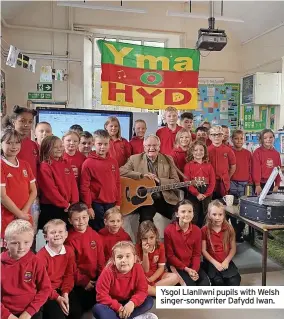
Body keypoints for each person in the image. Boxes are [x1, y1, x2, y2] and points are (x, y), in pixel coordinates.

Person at [120, 134, 180, 223]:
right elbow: (120, 171)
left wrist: (160, 180)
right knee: (146, 220)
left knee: (179, 217)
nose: (152, 148)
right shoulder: (134, 159)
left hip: (164, 198)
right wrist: (140, 175)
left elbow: (176, 181)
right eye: (148, 145)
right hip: (145, 200)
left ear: (159, 147)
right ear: (144, 147)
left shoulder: (168, 159)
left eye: (155, 145)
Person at [93, 241, 157, 319]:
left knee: (148, 301)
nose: (123, 260)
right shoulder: (108, 271)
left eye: (128, 256)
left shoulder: (138, 268)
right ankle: (128, 317)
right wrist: (118, 308)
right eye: (119, 257)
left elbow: (142, 290)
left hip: (129, 300)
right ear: (114, 260)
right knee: (98, 308)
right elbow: (101, 296)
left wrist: (132, 303)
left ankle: (122, 316)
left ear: (134, 259)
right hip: (111, 304)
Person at [1, 220, 51, 319]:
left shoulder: (36, 262)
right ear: (5, 243)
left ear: (32, 241)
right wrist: (8, 316)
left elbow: (45, 289)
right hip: (6, 312)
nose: (21, 247)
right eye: (15, 243)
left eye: (26, 242)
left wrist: (28, 313)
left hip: (31, 310)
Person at [37, 219, 82, 319]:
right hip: (47, 292)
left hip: (62, 289)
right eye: (52, 232)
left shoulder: (69, 251)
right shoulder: (40, 257)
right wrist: (57, 298)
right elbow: (42, 283)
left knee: (76, 312)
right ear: (46, 237)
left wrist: (65, 293)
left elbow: (69, 274)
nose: (57, 234)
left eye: (60, 232)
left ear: (66, 234)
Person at [66, 202, 105, 312]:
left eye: (84, 217)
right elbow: (71, 267)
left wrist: (101, 278)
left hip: (96, 278)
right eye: (77, 219)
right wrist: (84, 281)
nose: (81, 221)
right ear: (70, 221)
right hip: (80, 282)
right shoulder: (69, 240)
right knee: (81, 309)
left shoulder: (95, 235)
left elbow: (101, 259)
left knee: (107, 299)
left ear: (88, 217)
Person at [80, 129, 121, 231]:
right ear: (94, 143)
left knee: (111, 230)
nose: (103, 147)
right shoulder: (88, 163)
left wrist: (118, 203)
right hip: (96, 204)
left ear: (109, 144)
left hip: (111, 203)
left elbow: (117, 183)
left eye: (105, 144)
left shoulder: (113, 162)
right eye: (99, 144)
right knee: (99, 230)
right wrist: (89, 206)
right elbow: (85, 187)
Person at [164, 200, 210, 286]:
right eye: (183, 211)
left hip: (192, 265)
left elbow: (197, 255)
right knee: (190, 287)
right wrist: (187, 269)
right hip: (177, 266)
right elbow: (170, 256)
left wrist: (194, 270)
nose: (187, 214)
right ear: (177, 214)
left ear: (193, 213)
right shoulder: (169, 230)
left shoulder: (197, 230)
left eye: (190, 211)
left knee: (205, 285)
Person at [1, 128, 37, 237]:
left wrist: (24, 212)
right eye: (9, 143)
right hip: (6, 218)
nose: (14, 146)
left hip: (25, 216)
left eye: (17, 142)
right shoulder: (1, 165)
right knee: (8, 250)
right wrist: (19, 213)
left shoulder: (25, 164)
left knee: (24, 246)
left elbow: (33, 191)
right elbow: (2, 196)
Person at [37, 136, 79, 229]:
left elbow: (73, 184)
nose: (59, 149)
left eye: (60, 146)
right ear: (47, 148)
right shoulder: (45, 166)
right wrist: (65, 204)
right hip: (52, 207)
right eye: (55, 147)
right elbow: (50, 190)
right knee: (54, 236)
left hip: (68, 206)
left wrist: (74, 203)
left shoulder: (65, 162)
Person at [201, 200, 241, 286]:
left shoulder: (229, 229)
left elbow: (233, 248)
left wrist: (226, 261)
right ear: (209, 215)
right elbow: (203, 250)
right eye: (214, 214)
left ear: (224, 215)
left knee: (234, 281)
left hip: (226, 261)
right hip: (211, 262)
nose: (217, 217)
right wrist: (215, 263)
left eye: (220, 214)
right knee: (218, 282)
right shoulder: (204, 230)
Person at [136, 221, 179, 296]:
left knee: (175, 277)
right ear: (140, 239)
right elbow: (145, 270)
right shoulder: (137, 248)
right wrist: (145, 253)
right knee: (138, 284)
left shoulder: (160, 246)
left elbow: (161, 268)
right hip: (144, 277)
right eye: (145, 238)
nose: (148, 241)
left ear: (156, 235)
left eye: (151, 237)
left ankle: (152, 290)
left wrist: (152, 279)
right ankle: (153, 291)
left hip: (156, 276)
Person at [184, 140, 215, 228]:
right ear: (192, 152)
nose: (198, 152)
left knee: (205, 215)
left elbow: (212, 182)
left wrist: (206, 194)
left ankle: (204, 234)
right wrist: (197, 194)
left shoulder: (209, 166)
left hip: (206, 193)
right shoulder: (188, 166)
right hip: (193, 193)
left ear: (204, 152)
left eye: (201, 150)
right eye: (196, 150)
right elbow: (187, 182)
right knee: (194, 214)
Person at [2, 105, 39, 179]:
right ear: (13, 122)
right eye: (22, 121)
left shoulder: (33, 145)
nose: (27, 125)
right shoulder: (5, 144)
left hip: (32, 188)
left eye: (30, 122)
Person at [230, 129, 252, 242]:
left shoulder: (248, 153)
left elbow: (251, 168)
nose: (239, 141)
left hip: (245, 184)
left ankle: (239, 231)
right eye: (236, 138)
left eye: (241, 138)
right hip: (232, 183)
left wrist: (250, 181)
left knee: (244, 208)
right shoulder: (229, 151)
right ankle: (234, 231)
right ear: (232, 139)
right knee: (233, 209)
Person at [208, 126, 236, 199]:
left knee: (224, 204)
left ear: (223, 136)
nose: (216, 137)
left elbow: (233, 166)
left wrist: (227, 176)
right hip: (210, 183)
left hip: (224, 183)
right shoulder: (206, 150)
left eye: (219, 134)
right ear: (209, 136)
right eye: (214, 134)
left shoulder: (228, 150)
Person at [252, 129, 281, 196]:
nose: (268, 139)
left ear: (274, 138)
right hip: (259, 184)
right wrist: (257, 184)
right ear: (261, 139)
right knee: (259, 204)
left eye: (271, 137)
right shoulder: (257, 152)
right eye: (265, 138)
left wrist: (277, 185)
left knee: (269, 203)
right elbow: (256, 170)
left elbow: (278, 170)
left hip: (270, 183)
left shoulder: (276, 153)